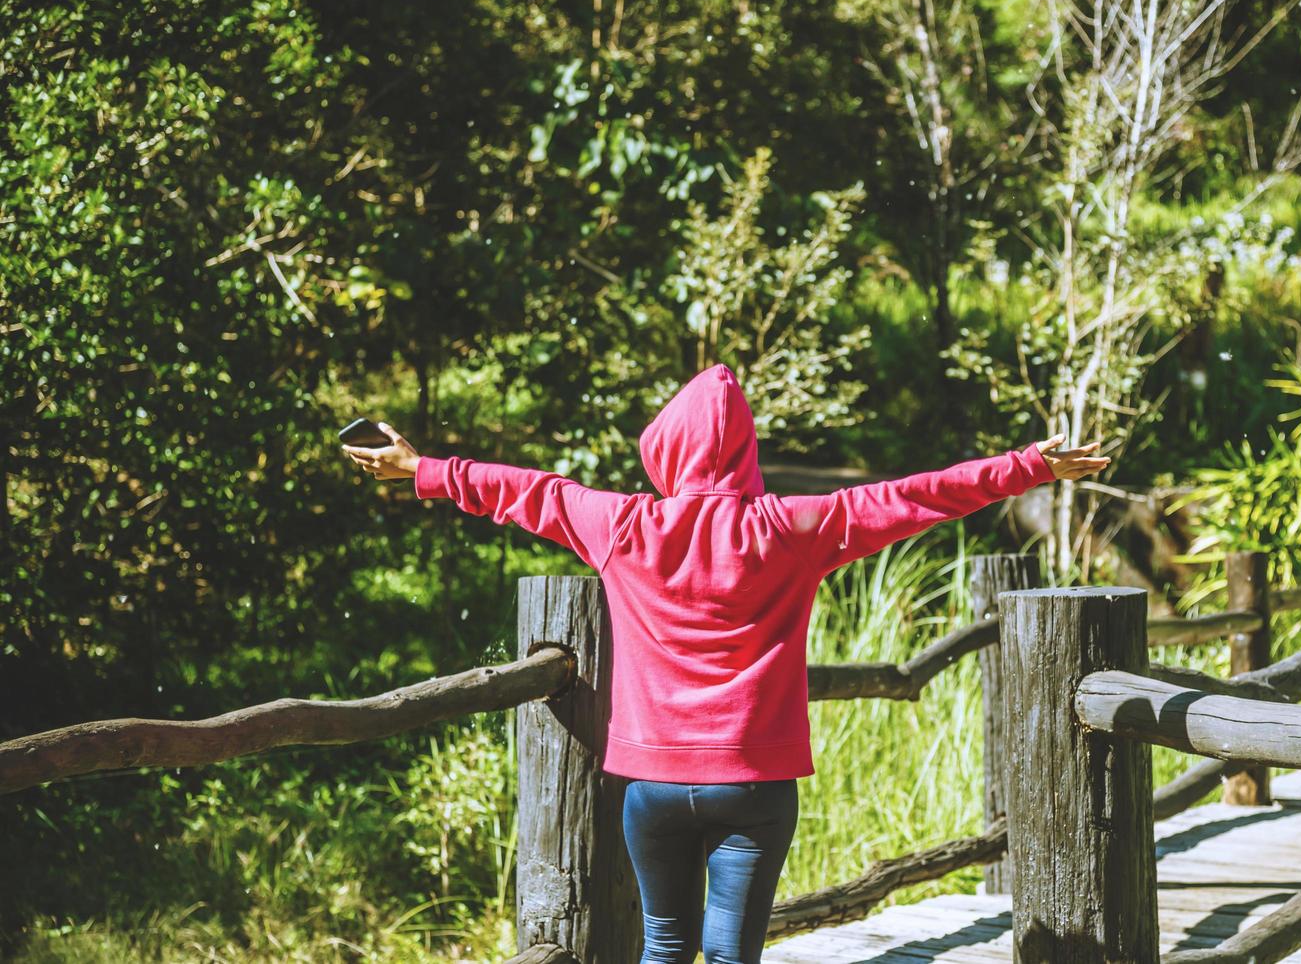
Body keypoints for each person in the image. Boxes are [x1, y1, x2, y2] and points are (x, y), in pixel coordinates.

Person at [342, 363, 1109, 964]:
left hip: (654, 790)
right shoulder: (797, 528)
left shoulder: (623, 525)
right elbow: (912, 497)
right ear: (745, 450)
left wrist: (420, 468)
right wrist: (1027, 467)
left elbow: (527, 492)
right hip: (754, 789)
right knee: (732, 955)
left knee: (665, 949)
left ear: (667, 451)